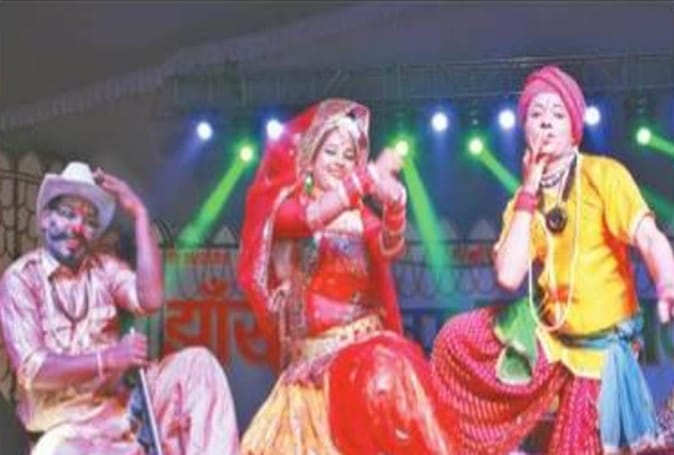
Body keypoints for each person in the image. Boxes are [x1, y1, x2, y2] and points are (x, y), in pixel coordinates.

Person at [430, 65, 674, 454]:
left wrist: (667, 281)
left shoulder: (603, 175)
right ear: (524, 128)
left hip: (600, 354)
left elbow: (648, 236)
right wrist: (529, 189)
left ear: (574, 129)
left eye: (558, 114)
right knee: (455, 339)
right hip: (549, 338)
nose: (546, 122)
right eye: (537, 114)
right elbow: (509, 275)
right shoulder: (523, 202)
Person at [237, 98, 454, 454]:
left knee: (392, 385)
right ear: (310, 158)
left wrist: (395, 205)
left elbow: (388, 248)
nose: (339, 161)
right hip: (310, 372)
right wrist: (366, 177)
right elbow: (311, 219)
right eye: (331, 152)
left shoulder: (360, 217)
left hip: (362, 361)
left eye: (349, 156)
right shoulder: (289, 208)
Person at [0, 161, 240, 454]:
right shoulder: (21, 279)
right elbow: (33, 369)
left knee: (197, 365)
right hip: (65, 428)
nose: (78, 227)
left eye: (89, 221)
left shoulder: (104, 267)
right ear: (44, 219)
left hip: (124, 413)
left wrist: (140, 215)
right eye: (68, 214)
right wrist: (109, 358)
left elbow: (150, 299)